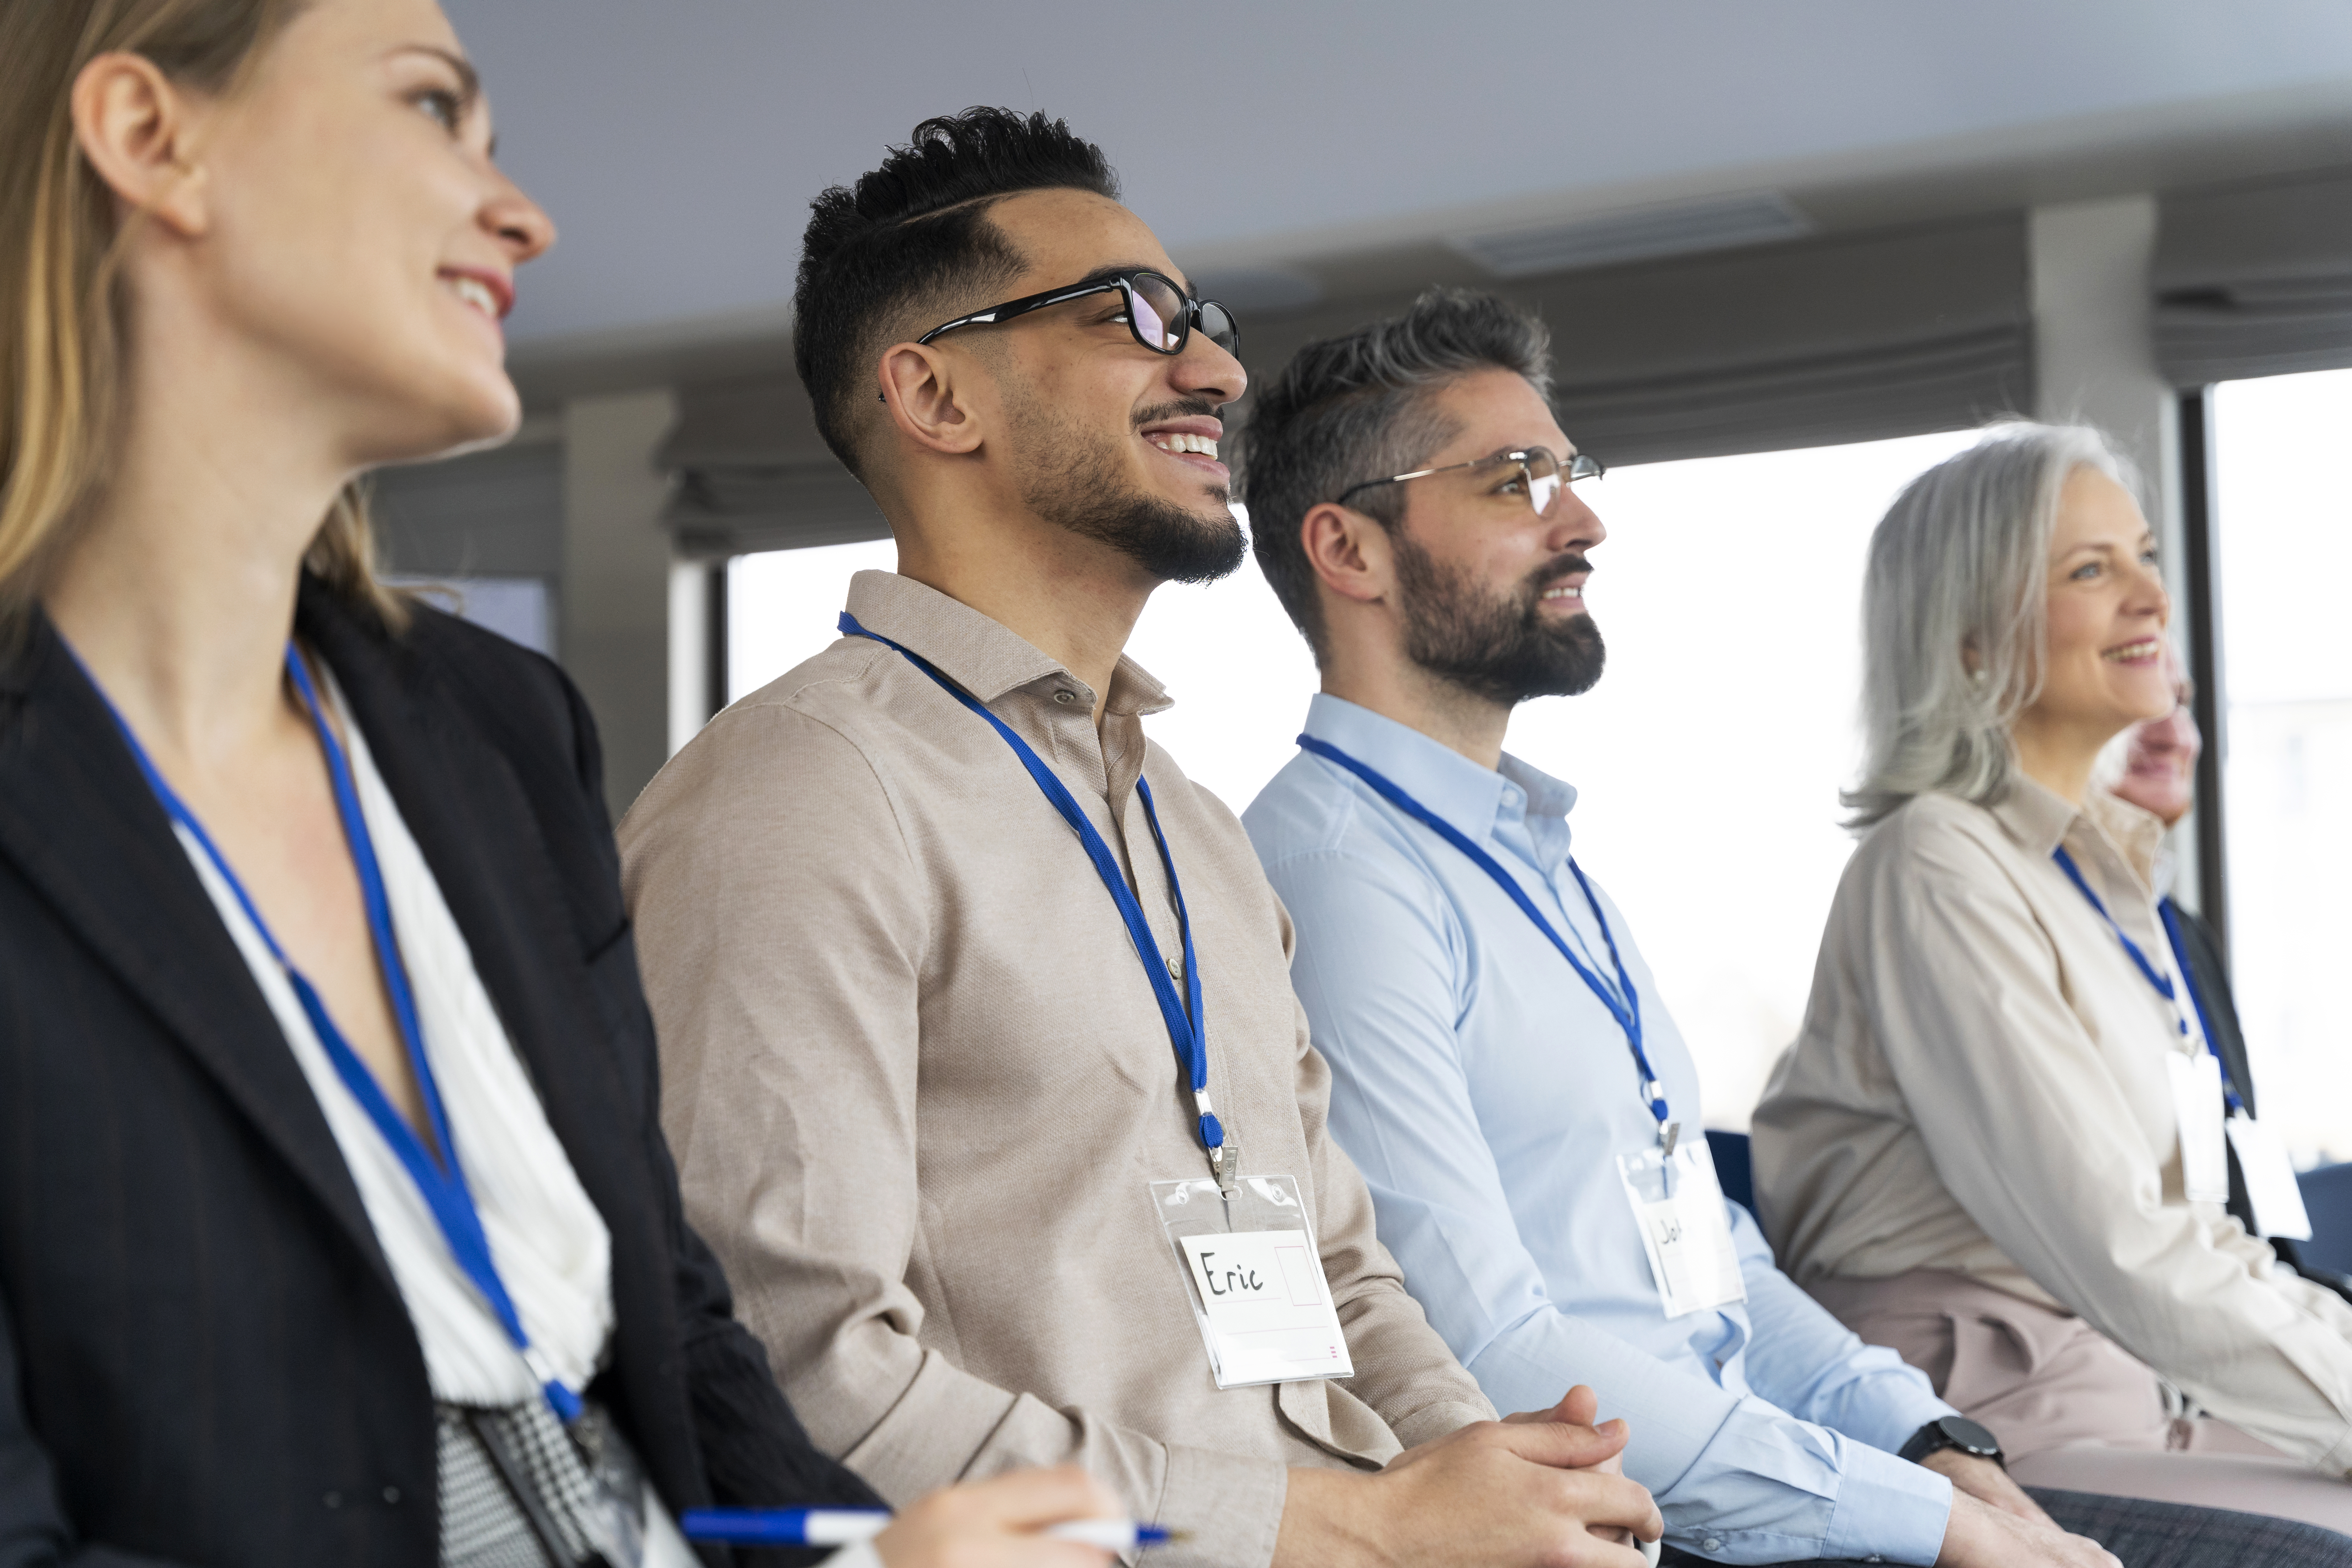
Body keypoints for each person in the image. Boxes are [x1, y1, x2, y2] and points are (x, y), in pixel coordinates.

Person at [0, 5, 1125, 1564]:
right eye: (427, 108)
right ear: (149, 138)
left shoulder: (500, 732)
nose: (524, 213)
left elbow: (669, 1320)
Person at [619, 109, 1665, 1568]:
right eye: (1131, 318)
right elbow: (806, 1372)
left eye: (1203, 323)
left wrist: (1488, 1481)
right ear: (935, 396)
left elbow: (1341, 1269)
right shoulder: (798, 795)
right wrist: (1356, 1528)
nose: (1221, 372)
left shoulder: (1191, 823)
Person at [1233, 288, 2333, 1567]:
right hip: (1634, 1515)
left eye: (1569, 475)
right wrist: (1929, 1523)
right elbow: (1499, 1351)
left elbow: (1718, 1266)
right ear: (1347, 552)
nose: (1583, 519)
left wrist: (1932, 1446)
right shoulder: (1338, 880)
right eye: (1514, 483)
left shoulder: (1538, 857)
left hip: (1762, 1463)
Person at [1751, 423, 2352, 1533]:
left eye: (2146, 556)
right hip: (1990, 1419)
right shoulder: (1936, 861)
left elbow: (2203, 1232)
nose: (2151, 598)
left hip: (2132, 1392)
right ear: (1972, 640)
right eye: (2091, 569)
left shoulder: (2101, 880)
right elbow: (2122, 1242)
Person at [2104, 654, 2351, 1299]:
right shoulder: (2043, 929)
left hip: (2252, 1288)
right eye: (2139, 707)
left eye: (2181, 703)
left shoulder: (2181, 933)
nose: (2175, 735)